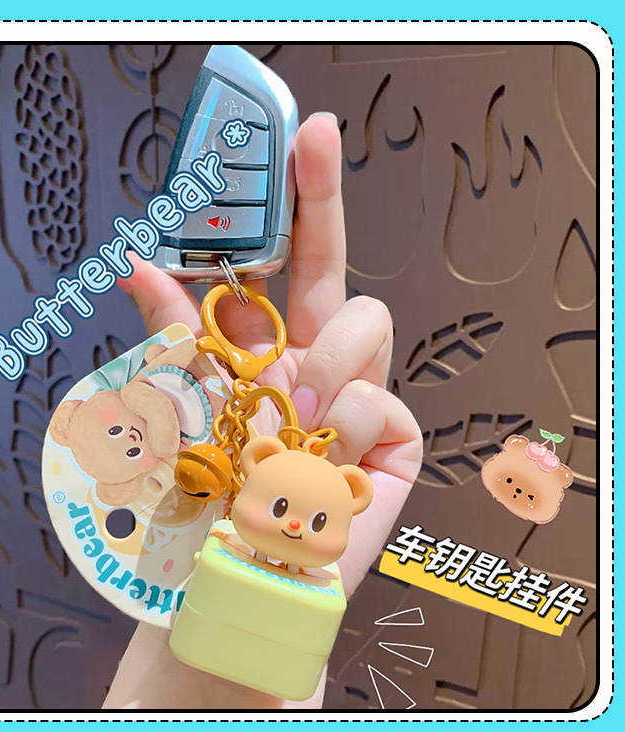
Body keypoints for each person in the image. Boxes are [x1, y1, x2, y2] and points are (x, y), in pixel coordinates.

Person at [103, 112, 424, 710]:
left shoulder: (312, 578)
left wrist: (236, 691)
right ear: (257, 460)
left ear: (353, 493)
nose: (296, 526)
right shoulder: (226, 535)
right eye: (281, 508)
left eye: (314, 521)